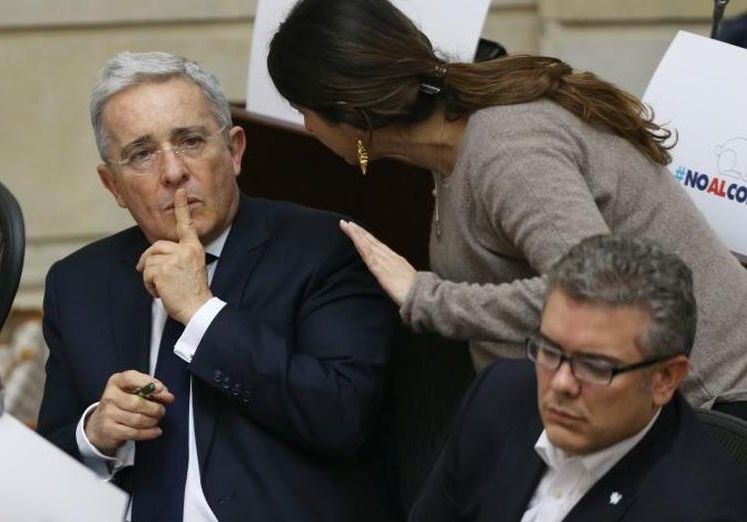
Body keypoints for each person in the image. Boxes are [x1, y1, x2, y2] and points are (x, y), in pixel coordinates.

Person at [37, 51, 397, 522]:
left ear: (234, 150)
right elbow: (51, 456)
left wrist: (201, 313)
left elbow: (340, 413)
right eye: (142, 154)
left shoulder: (321, 251)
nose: (173, 172)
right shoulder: (81, 283)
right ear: (113, 185)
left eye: (190, 142)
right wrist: (95, 434)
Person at [266, 0, 747, 415]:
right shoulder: (449, 149)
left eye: (303, 111)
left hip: (712, 405)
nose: (307, 128)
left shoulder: (506, 149)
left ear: (349, 111)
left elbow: (600, 294)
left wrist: (424, 298)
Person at [371, 234, 747, 522]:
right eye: (549, 350)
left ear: (664, 379)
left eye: (595, 365)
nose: (561, 384)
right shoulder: (501, 399)